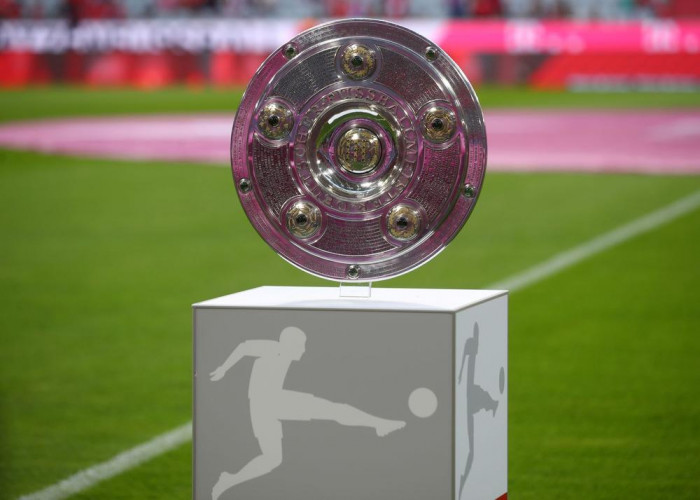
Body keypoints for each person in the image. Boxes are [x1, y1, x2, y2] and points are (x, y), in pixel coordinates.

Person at [209, 326, 406, 500]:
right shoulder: (272, 348)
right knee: (333, 410)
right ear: (289, 344)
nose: (303, 350)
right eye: (301, 345)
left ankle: (228, 480)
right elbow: (243, 347)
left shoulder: (283, 353)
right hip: (270, 401)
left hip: (266, 406)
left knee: (272, 459)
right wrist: (223, 368)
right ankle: (378, 424)